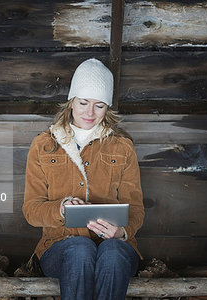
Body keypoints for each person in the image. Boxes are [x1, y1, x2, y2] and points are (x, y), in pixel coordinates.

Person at [22, 58, 144, 300]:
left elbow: (137, 209)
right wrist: (61, 209)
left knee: (112, 252)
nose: (89, 112)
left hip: (116, 248)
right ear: (71, 102)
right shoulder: (43, 145)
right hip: (59, 246)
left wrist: (122, 232)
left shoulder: (123, 147)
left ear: (107, 108)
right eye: (83, 103)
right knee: (80, 248)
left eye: (99, 105)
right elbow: (31, 210)